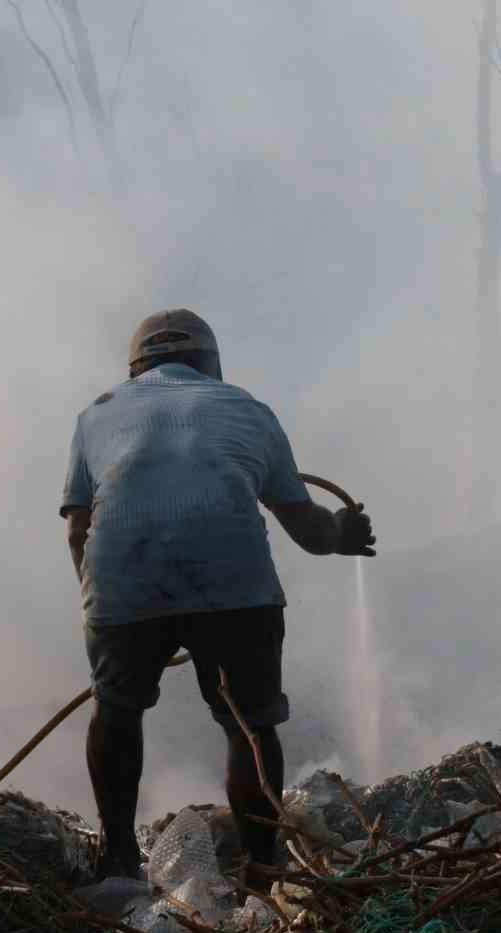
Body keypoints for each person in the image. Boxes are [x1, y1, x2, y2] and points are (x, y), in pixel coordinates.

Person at [60, 309, 375, 888]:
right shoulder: (249, 410)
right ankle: (262, 871)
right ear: (210, 364)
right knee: (248, 726)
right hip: (234, 585)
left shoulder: (97, 414)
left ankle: (118, 860)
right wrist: (344, 535)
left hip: (123, 577)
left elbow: (79, 529)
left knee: (117, 709)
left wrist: (103, 607)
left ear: (136, 368)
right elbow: (308, 531)